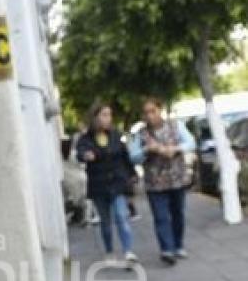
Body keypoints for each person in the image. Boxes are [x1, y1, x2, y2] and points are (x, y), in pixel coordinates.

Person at [129, 97, 197, 265]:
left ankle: (178, 245)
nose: (150, 116)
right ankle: (166, 249)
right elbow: (133, 157)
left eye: (153, 111)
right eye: (146, 113)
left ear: (160, 110)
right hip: (154, 183)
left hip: (176, 179)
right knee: (160, 216)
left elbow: (191, 142)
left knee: (177, 213)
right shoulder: (140, 134)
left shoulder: (176, 126)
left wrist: (175, 149)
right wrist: (146, 150)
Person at [76, 102, 138, 265]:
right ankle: (109, 251)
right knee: (105, 221)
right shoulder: (86, 138)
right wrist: (86, 155)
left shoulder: (115, 135)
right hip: (99, 185)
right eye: (104, 115)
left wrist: (132, 174)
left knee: (121, 216)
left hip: (117, 183)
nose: (107, 118)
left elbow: (124, 155)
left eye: (109, 115)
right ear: (95, 117)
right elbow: (80, 153)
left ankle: (128, 251)